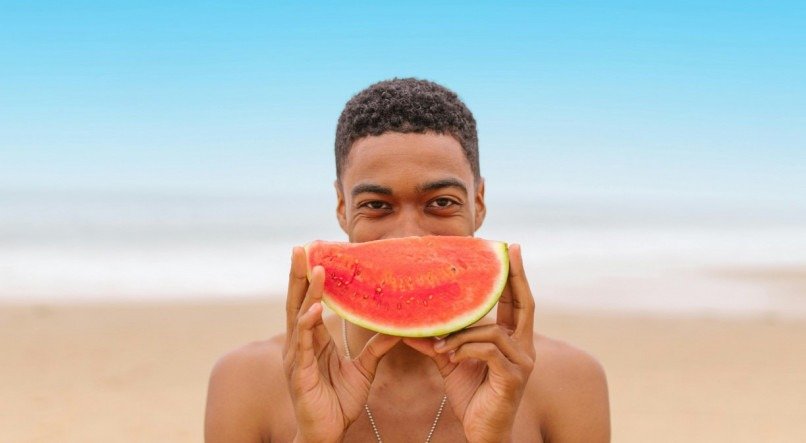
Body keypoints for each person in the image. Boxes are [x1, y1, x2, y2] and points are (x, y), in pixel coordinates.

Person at [204, 78, 610, 442]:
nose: (409, 235)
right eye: (377, 205)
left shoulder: (570, 381)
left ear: (479, 203)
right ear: (343, 208)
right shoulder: (245, 382)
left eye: (441, 202)